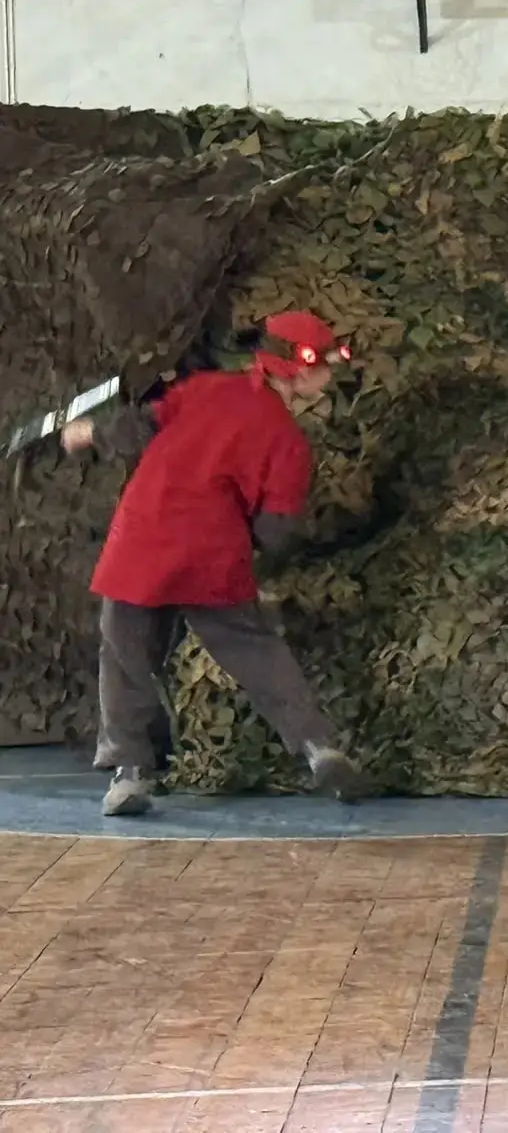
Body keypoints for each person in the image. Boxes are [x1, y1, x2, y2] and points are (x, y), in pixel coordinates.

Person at [61, 310, 367, 816]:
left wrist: (90, 432)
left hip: (142, 539)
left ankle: (129, 773)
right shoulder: (289, 441)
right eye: (326, 364)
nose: (332, 373)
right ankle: (319, 748)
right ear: (296, 368)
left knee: (125, 654)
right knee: (255, 649)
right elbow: (275, 528)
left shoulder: (204, 389)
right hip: (214, 552)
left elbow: (140, 427)